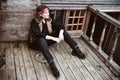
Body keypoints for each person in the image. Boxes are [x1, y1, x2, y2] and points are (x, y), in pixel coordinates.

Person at [28, 4, 86, 78]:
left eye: (48, 12)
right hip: (36, 43)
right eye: (46, 13)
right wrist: (54, 38)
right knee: (41, 39)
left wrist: (61, 33)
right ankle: (51, 64)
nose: (48, 14)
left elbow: (60, 25)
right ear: (40, 14)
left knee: (63, 31)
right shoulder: (34, 22)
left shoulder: (49, 19)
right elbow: (38, 34)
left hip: (47, 41)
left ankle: (75, 49)